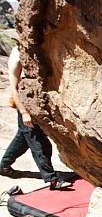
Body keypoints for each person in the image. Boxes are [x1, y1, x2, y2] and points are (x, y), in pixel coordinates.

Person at [0, 46, 69, 189]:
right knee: (38, 142)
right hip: (26, 104)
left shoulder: (33, 49)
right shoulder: (17, 53)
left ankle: (4, 165)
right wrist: (24, 112)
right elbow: (14, 87)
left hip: (37, 104)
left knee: (23, 138)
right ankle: (52, 179)